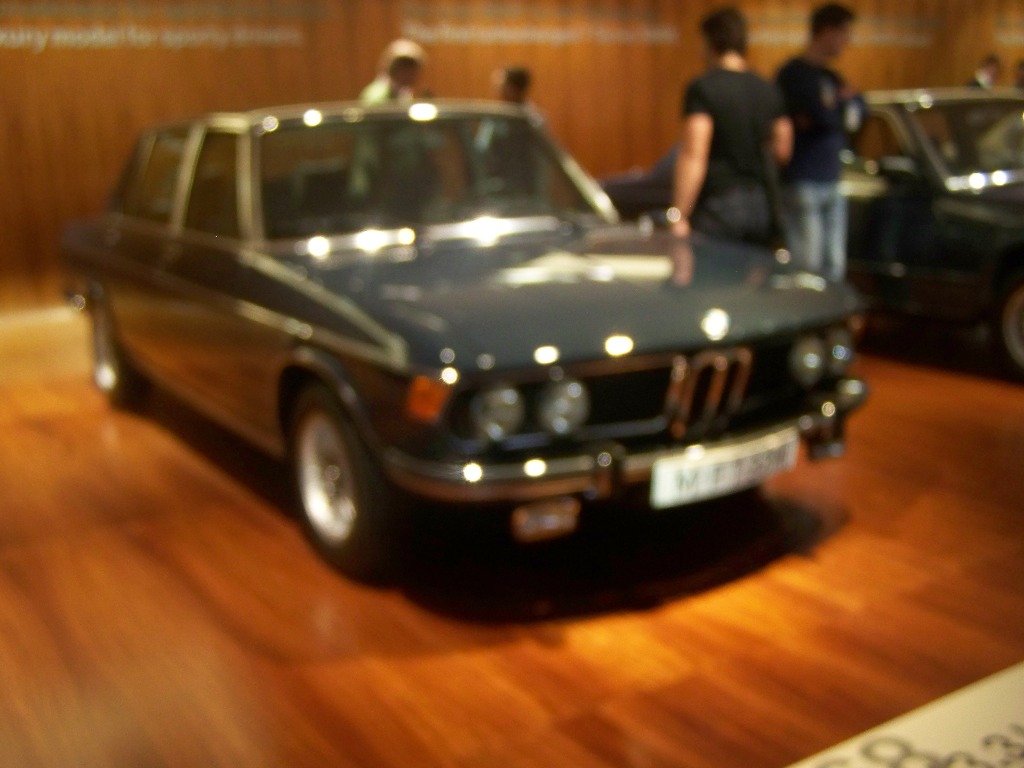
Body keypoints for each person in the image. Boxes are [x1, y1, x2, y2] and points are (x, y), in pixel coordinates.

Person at [671, 7, 792, 247]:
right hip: (760, 202)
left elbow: (695, 153)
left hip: (719, 203)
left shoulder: (704, 88)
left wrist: (679, 214)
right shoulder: (766, 88)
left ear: (711, 41)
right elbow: (783, 150)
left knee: (712, 270)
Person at [776, 3, 861, 282]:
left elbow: (855, 111)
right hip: (803, 180)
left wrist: (832, 109)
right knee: (807, 268)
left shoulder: (831, 78)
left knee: (834, 266)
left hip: (832, 179)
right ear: (826, 32)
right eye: (843, 33)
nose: (846, 41)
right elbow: (818, 114)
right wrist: (834, 108)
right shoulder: (794, 75)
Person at [360, 39, 427, 104]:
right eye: (403, 67)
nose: (410, 73)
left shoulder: (402, 92)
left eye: (412, 68)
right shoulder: (377, 95)